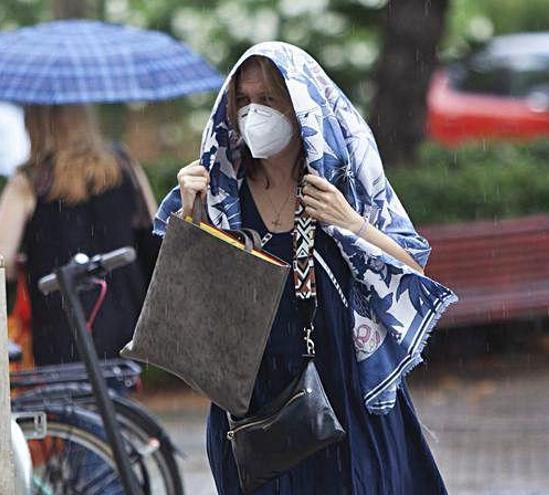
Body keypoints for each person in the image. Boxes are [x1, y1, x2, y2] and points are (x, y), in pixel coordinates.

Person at [153, 42, 457, 494]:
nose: (254, 113)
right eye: (243, 101)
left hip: (340, 387)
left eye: (268, 100)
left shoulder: (342, 179)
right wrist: (191, 219)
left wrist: (351, 223)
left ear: (301, 105)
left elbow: (410, 273)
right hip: (253, 401)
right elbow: (186, 308)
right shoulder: (216, 187)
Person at [0, 104, 157, 366]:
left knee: (71, 402)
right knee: (116, 400)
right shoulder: (122, 163)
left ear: (34, 121)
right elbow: (153, 233)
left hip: (62, 327)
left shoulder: (30, 179)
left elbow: (2, 261)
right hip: (126, 319)